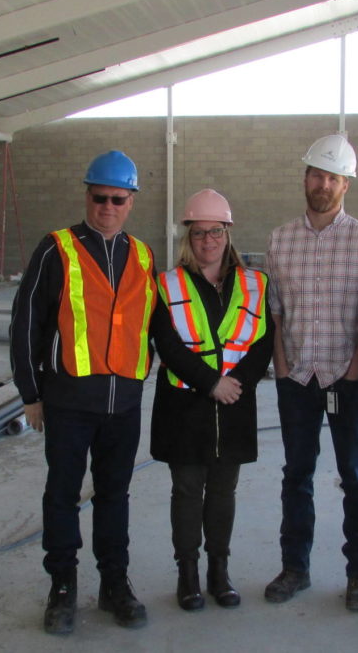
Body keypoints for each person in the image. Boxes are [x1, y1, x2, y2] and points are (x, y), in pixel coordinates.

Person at [9, 150, 156, 635]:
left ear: (131, 201)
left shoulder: (143, 255)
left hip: (124, 405)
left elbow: (157, 328)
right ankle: (63, 588)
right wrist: (31, 394)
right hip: (69, 402)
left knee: (115, 495)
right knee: (63, 495)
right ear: (87, 195)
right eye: (99, 198)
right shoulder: (56, 249)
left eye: (117, 199)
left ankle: (115, 583)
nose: (107, 207)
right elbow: (25, 323)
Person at [263, 134, 358, 611]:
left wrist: (356, 369)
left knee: (356, 475)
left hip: (348, 378)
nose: (322, 184)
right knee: (297, 474)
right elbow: (276, 313)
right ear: (306, 178)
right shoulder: (280, 239)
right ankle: (295, 568)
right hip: (298, 378)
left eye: (332, 177)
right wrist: (281, 365)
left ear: (345, 185)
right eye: (316, 174)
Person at [150, 189, 274, 611]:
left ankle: (218, 572)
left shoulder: (255, 284)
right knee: (186, 491)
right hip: (185, 408)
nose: (208, 240)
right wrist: (211, 383)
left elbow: (263, 341)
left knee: (224, 492)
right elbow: (168, 345)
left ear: (228, 232)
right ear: (189, 235)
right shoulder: (167, 284)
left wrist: (236, 382)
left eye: (216, 231)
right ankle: (187, 573)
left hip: (235, 405)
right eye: (200, 232)